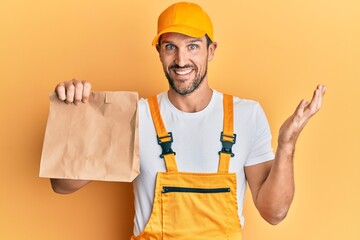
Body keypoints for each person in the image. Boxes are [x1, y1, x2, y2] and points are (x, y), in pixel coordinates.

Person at [50, 2, 326, 239]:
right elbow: (62, 185)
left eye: (192, 46)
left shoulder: (247, 115)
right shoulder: (137, 117)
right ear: (159, 51)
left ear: (211, 50)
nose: (181, 60)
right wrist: (77, 111)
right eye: (171, 47)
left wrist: (288, 143)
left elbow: (274, 212)